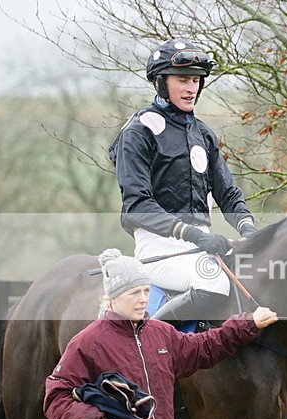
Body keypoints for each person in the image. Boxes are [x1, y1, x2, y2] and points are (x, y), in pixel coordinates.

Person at [44, 249, 278, 419]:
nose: (143, 299)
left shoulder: (161, 333)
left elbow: (205, 347)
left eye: (145, 290)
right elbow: (55, 397)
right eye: (134, 293)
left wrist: (247, 323)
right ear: (113, 297)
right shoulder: (88, 342)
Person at [108, 38, 257, 322]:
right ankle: (148, 343)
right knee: (214, 284)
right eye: (183, 80)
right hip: (159, 246)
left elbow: (229, 194)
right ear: (160, 82)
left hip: (203, 244)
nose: (191, 88)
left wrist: (249, 230)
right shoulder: (138, 132)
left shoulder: (204, 134)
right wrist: (194, 235)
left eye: (196, 81)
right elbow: (138, 205)